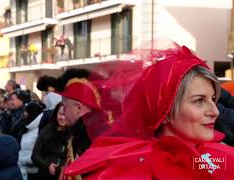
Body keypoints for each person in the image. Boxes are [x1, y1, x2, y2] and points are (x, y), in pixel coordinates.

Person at [64, 44, 234, 179]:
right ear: (164, 110)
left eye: (213, 99)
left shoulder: (221, 158)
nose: (215, 112)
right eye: (199, 101)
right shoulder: (128, 168)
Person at [32, 103, 71, 180]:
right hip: (45, 175)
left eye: (66, 115)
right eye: (60, 114)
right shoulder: (47, 130)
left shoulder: (74, 133)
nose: (63, 118)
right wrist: (48, 165)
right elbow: (35, 155)